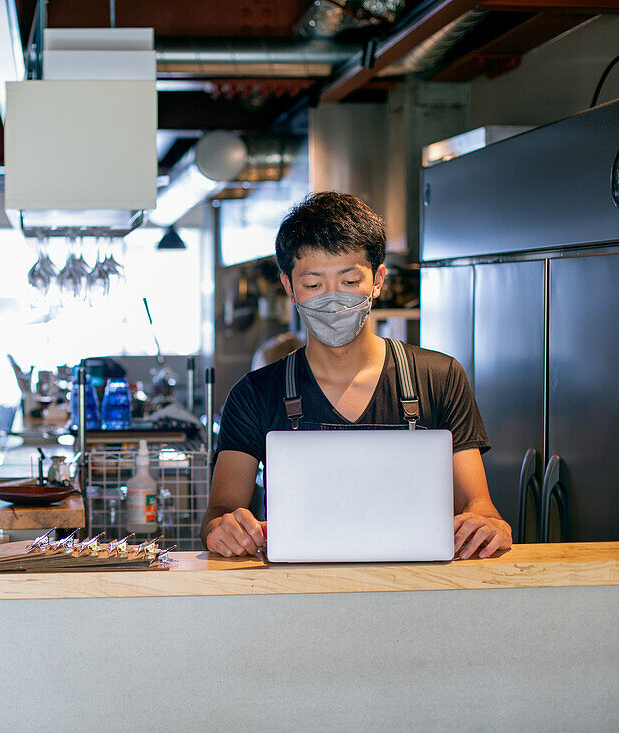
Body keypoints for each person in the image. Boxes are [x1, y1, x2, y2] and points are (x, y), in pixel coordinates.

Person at [201, 192, 512, 560]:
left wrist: (491, 525)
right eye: (314, 285)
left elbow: (479, 506)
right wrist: (224, 530)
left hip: (420, 592)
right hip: (294, 596)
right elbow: (218, 513)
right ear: (289, 288)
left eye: (350, 282)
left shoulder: (440, 377)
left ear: (377, 279)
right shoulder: (254, 393)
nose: (332, 300)